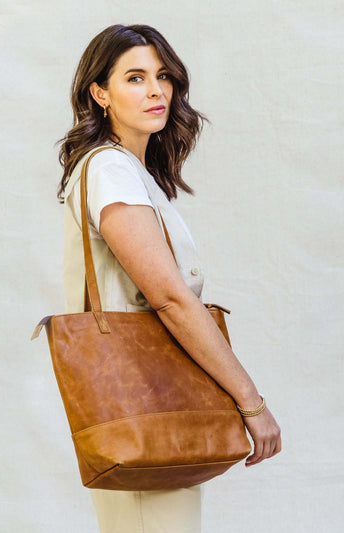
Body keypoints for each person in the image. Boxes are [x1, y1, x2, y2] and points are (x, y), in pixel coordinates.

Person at [56, 23, 281, 533]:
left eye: (163, 76)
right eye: (134, 78)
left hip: (152, 411)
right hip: (143, 409)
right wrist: (251, 402)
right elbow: (171, 299)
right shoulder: (111, 169)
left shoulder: (131, 172)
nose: (156, 90)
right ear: (100, 93)